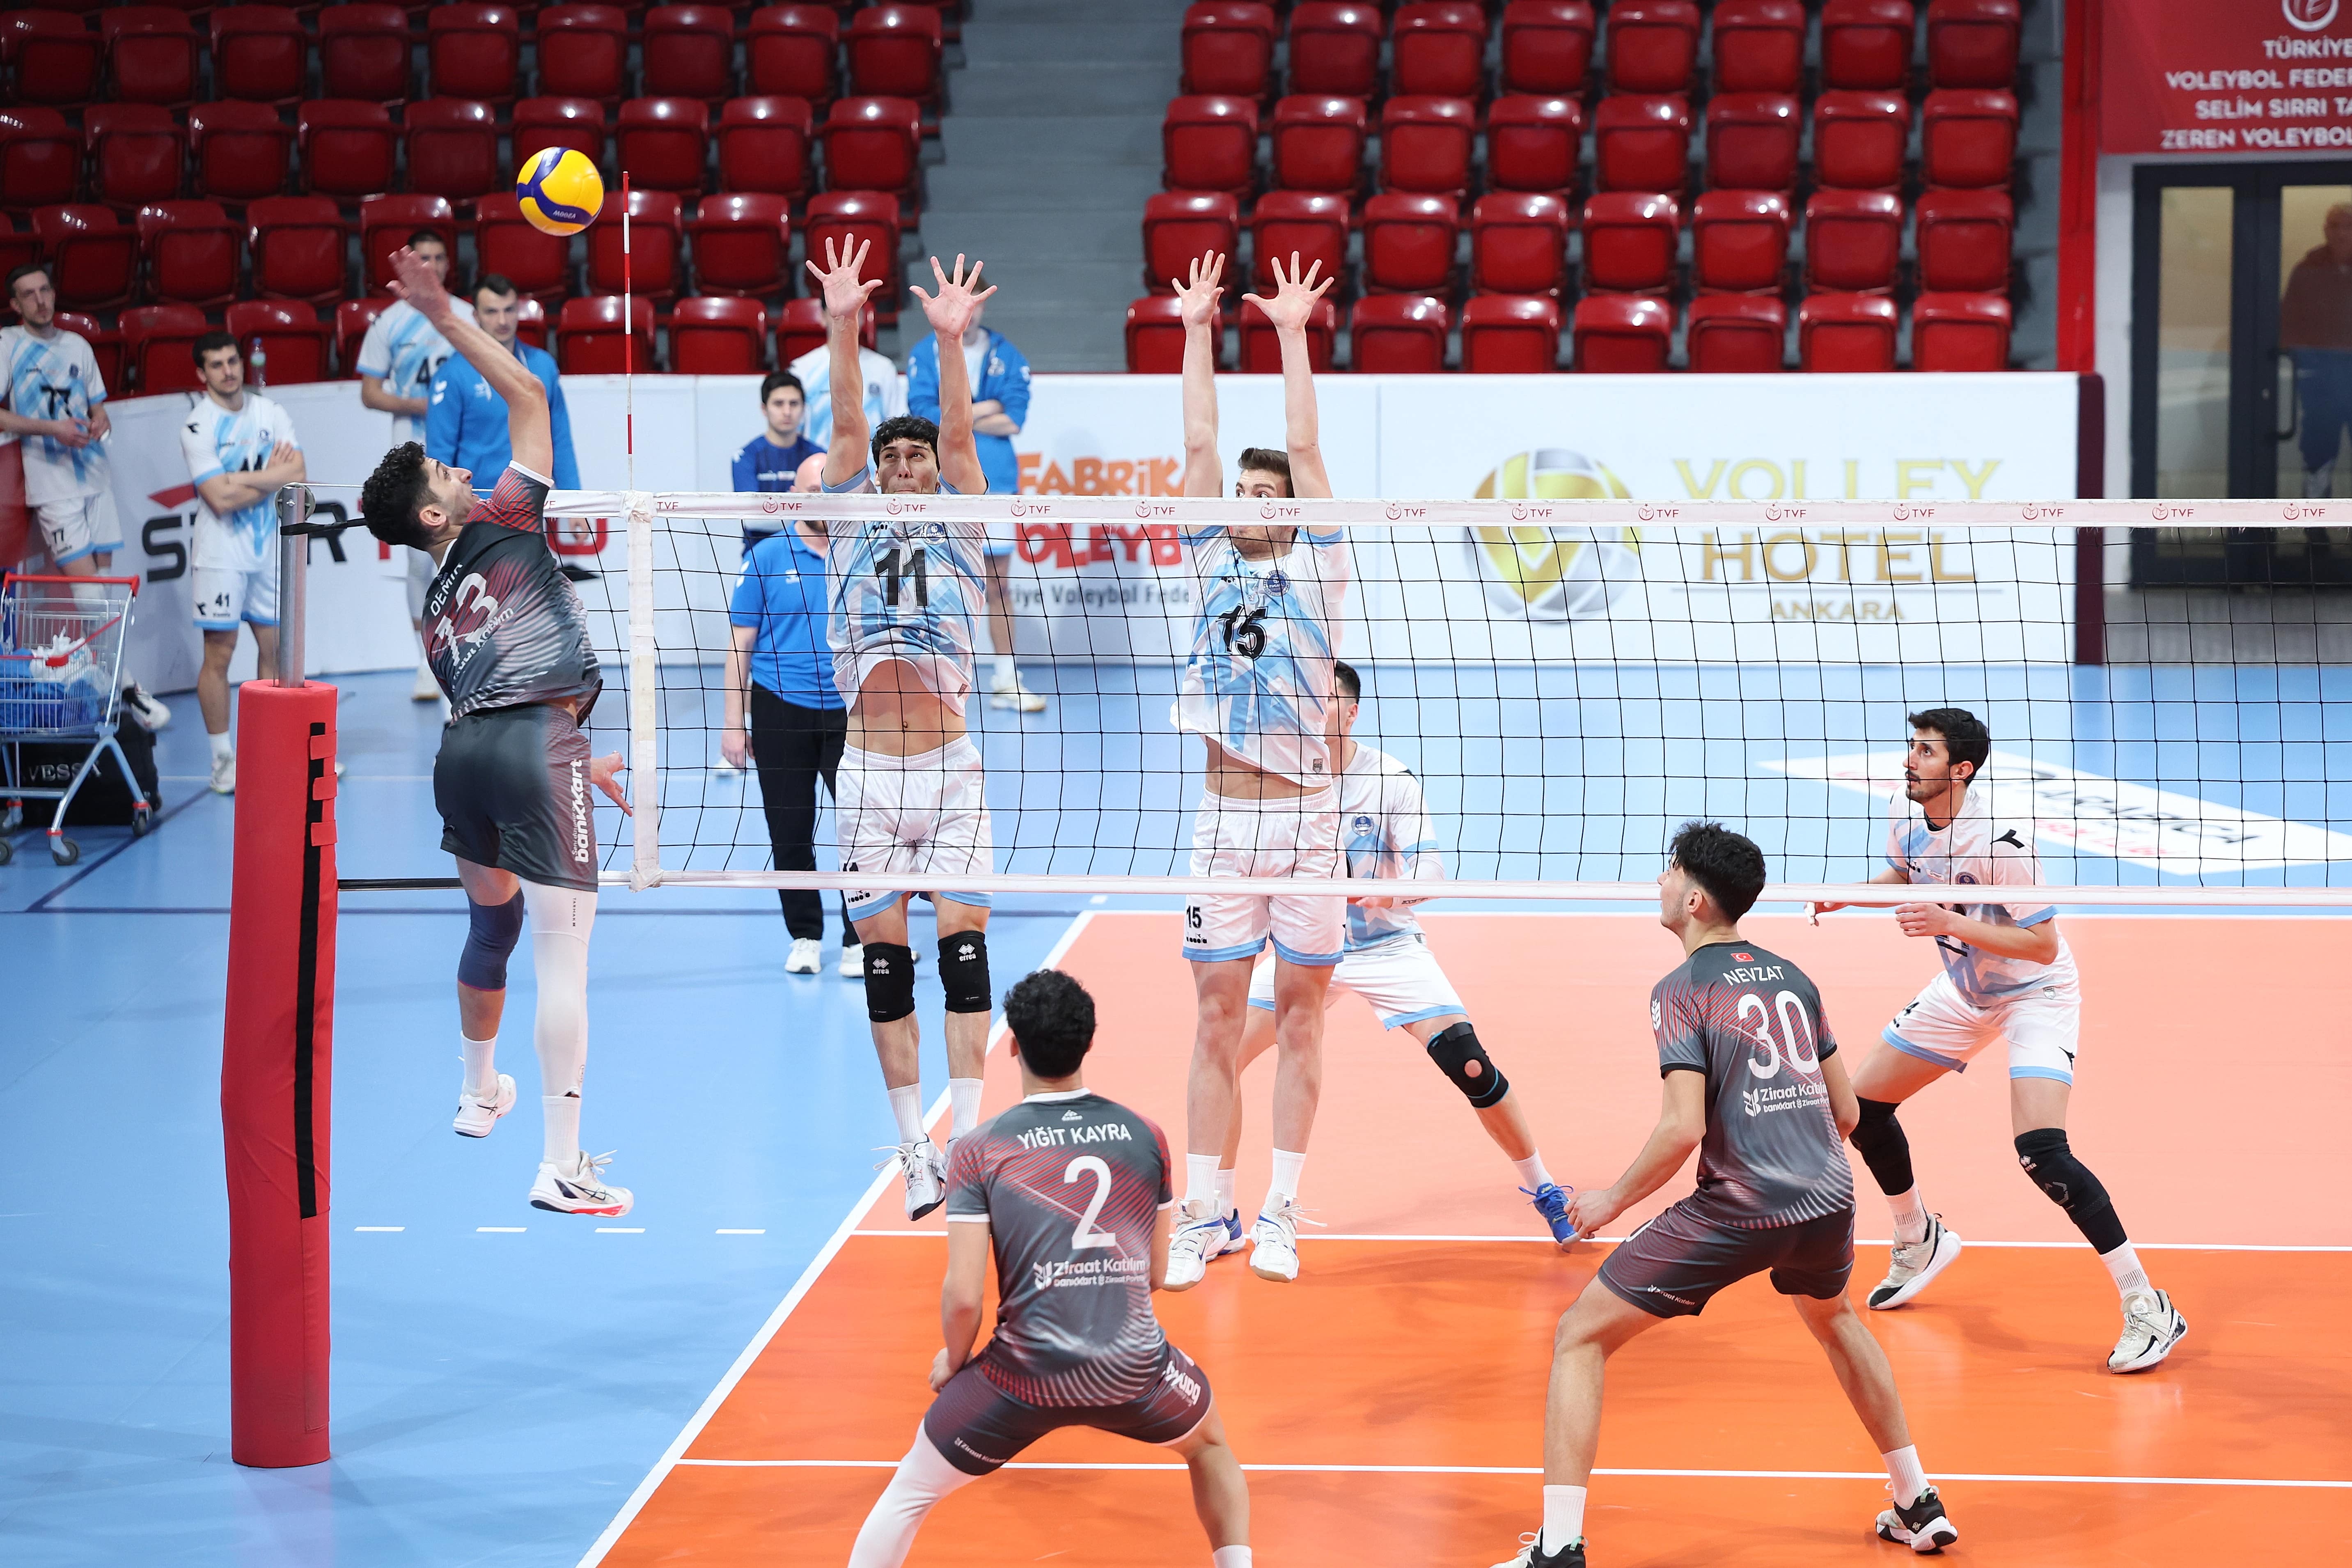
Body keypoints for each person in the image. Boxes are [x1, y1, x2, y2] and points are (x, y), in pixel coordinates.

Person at [1493, 823, 1958, 1568]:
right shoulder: (1793, 977)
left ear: (1695, 900)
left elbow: (1682, 1128)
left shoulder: (1681, 992)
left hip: (1740, 1206)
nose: (1660, 881)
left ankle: (1558, 1547)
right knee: (1835, 1319)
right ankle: (1918, 1503)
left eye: (1669, 871)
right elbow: (1847, 1114)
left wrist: (1611, 1200)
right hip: (1828, 1200)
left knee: (1580, 1336)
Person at [357, 245, 635, 1218]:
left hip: (466, 757)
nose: (465, 467)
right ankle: (561, 1162)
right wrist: (441, 311)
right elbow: (527, 392)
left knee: (495, 923)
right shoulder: (508, 516)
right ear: (439, 510)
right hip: (530, 752)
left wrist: (576, 760)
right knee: (564, 956)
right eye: (448, 469)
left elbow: (500, 692)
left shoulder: (435, 607)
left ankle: (479, 1089)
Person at [1812, 707, 2188, 1374]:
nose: (1908, 761)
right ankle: (1918, 1238)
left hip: (2034, 995)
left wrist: (1949, 922)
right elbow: (1905, 876)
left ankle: (2147, 1304)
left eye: (1924, 752)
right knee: (1861, 1109)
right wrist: (1847, 897)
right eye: (1911, 747)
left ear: (1961, 769)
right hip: (1965, 991)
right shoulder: (1905, 813)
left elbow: (2041, 946)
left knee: (2042, 1152)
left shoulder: (2000, 844)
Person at [1176, 660, 1575, 1285]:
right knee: (1221, 1054)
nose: (1315, 710)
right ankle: (1221, 1215)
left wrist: (1386, 892)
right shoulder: (1278, 780)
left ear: (1352, 711)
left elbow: (1432, 873)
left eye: (1328, 699)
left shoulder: (1389, 780)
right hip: (1304, 956)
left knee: (1469, 1063)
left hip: (1385, 947)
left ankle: (1544, 1187)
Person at [845, 969, 1252, 1568]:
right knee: (1211, 1446)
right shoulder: (1147, 1136)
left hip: (1021, 1377)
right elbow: (1156, 1274)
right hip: (1133, 1367)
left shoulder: (979, 1149)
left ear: (1012, 1044)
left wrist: (954, 1362)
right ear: (1090, 1040)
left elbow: (964, 1296)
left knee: (910, 1493)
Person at [1165, 251, 1350, 1287]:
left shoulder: (1321, 565)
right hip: (1223, 821)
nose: (1246, 500)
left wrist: (1289, 334)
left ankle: (1280, 1209)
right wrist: (1197, 328)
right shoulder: (1206, 555)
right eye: (1241, 490)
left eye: (1264, 491)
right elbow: (1198, 439)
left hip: (1309, 824)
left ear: (1289, 509)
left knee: (1304, 1017)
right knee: (1214, 1019)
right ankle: (1206, 1212)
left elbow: (1307, 445)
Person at [808, 239, 998, 1220]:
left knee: (963, 955)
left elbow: (961, 433)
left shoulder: (962, 517)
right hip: (869, 771)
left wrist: (948, 341)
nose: (902, 465)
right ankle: (912, 1148)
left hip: (951, 768)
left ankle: (967, 1142)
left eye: (913, 456)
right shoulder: (848, 515)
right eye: (891, 459)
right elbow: (847, 418)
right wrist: (842, 323)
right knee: (886, 967)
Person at [0, 264, 169, 730]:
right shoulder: (8, 346)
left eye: (45, 290)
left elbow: (98, 406)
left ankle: (106, 690)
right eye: (29, 294)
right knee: (92, 598)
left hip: (95, 478)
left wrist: (100, 420)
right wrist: (50, 429)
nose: (40, 301)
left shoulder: (77, 345)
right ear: (15, 305)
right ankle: (129, 689)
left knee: (107, 596)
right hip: (52, 488)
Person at [722, 452, 859, 980]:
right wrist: (733, 724)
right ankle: (805, 935)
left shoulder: (862, 552)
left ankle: (860, 937)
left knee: (863, 830)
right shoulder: (767, 556)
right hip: (780, 708)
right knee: (790, 831)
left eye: (832, 492)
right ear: (796, 497)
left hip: (851, 710)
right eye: (815, 492)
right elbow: (740, 644)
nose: (825, 502)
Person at [182, 332, 305, 795]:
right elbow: (218, 499)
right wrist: (269, 479)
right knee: (220, 654)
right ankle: (222, 759)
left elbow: (298, 474)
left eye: (233, 361)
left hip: (268, 550)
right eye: (217, 365)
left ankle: (270, 751)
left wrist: (238, 479)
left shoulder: (269, 412)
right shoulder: (197, 426)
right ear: (202, 374)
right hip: (220, 555)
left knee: (277, 650)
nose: (229, 371)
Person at [906, 300, 1043, 714]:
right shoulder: (924, 353)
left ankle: (1006, 678)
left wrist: (958, 415)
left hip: (996, 484)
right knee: (929, 585)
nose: (970, 312)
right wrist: (986, 408)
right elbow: (925, 416)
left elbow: (1014, 418)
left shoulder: (1006, 353)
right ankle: (927, 678)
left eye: (977, 304)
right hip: (939, 486)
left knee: (998, 584)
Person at [356, 230, 475, 703]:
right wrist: (426, 407)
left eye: (438, 257)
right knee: (418, 562)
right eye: (422, 257)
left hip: (460, 449)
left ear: (448, 263)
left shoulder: (464, 316)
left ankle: (467, 653)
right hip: (412, 454)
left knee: (470, 549)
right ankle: (425, 661)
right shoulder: (389, 323)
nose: (431, 265)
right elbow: (370, 393)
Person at [426, 273, 580, 494]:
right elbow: (440, 454)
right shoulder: (452, 374)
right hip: (476, 501)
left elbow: (560, 439)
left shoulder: (543, 365)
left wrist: (574, 496)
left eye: (509, 310)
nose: (502, 321)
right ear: (476, 316)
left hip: (530, 500)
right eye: (492, 312)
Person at [2279, 202, 2352, 497]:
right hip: (2320, 376)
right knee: (2319, 448)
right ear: (2325, 230)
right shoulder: (2308, 270)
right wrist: (2304, 362)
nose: (2342, 233)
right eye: (2335, 226)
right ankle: (2317, 519)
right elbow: (2288, 323)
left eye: (2349, 226)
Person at [788, 315, 905, 454]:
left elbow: (897, 424)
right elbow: (793, 429)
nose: (846, 319)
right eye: (838, 314)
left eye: (855, 313)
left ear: (863, 318)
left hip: (872, 463)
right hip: (817, 462)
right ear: (823, 317)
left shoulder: (884, 368)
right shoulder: (802, 369)